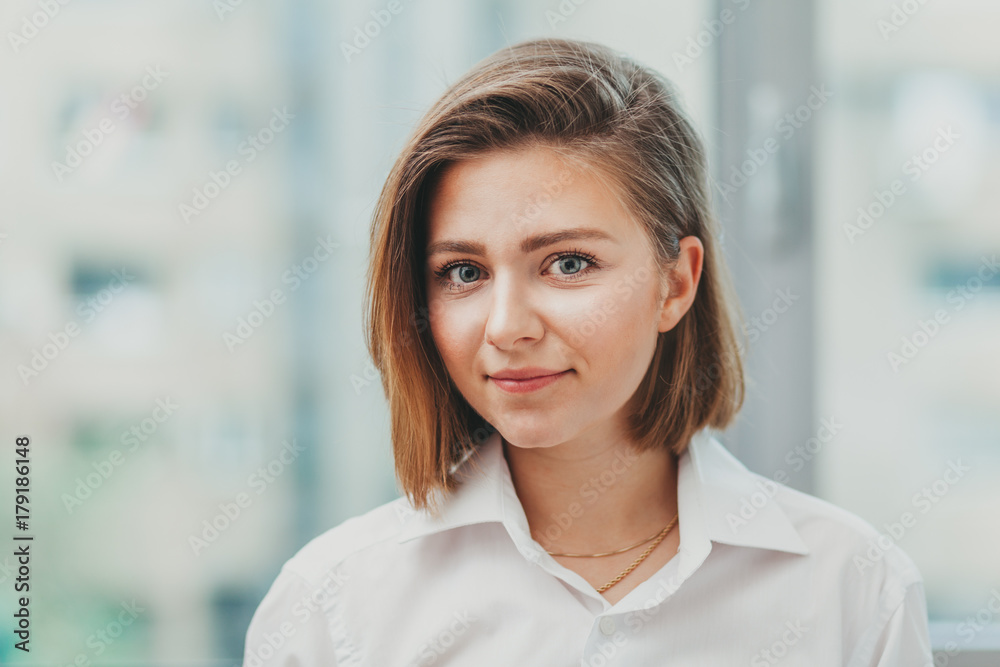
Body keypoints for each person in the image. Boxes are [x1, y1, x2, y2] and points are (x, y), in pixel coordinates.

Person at [243, 37, 934, 666]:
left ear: (677, 281)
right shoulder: (330, 608)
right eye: (464, 272)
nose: (507, 327)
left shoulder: (853, 591)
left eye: (568, 263)